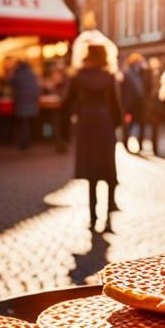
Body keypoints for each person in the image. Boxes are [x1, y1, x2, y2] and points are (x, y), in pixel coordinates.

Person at [61, 43, 123, 231]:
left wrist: (66, 132)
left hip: (86, 126)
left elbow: (66, 103)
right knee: (108, 170)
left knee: (91, 174)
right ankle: (109, 215)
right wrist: (116, 124)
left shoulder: (78, 77)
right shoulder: (109, 77)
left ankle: (93, 217)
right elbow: (116, 105)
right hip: (105, 124)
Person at [142, 56, 165, 155]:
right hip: (154, 108)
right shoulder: (147, 76)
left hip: (163, 106)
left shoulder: (163, 74)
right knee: (155, 129)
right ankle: (155, 149)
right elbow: (146, 91)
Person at [10, 58, 41, 151]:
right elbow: (37, 89)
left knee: (23, 124)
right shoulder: (32, 74)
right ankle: (27, 142)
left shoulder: (18, 74)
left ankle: (23, 143)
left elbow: (10, 82)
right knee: (27, 124)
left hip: (21, 102)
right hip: (31, 102)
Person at [121, 53, 147, 152]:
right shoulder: (126, 73)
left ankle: (140, 144)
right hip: (130, 105)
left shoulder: (143, 72)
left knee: (142, 124)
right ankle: (125, 142)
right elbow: (123, 91)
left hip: (141, 103)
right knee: (129, 124)